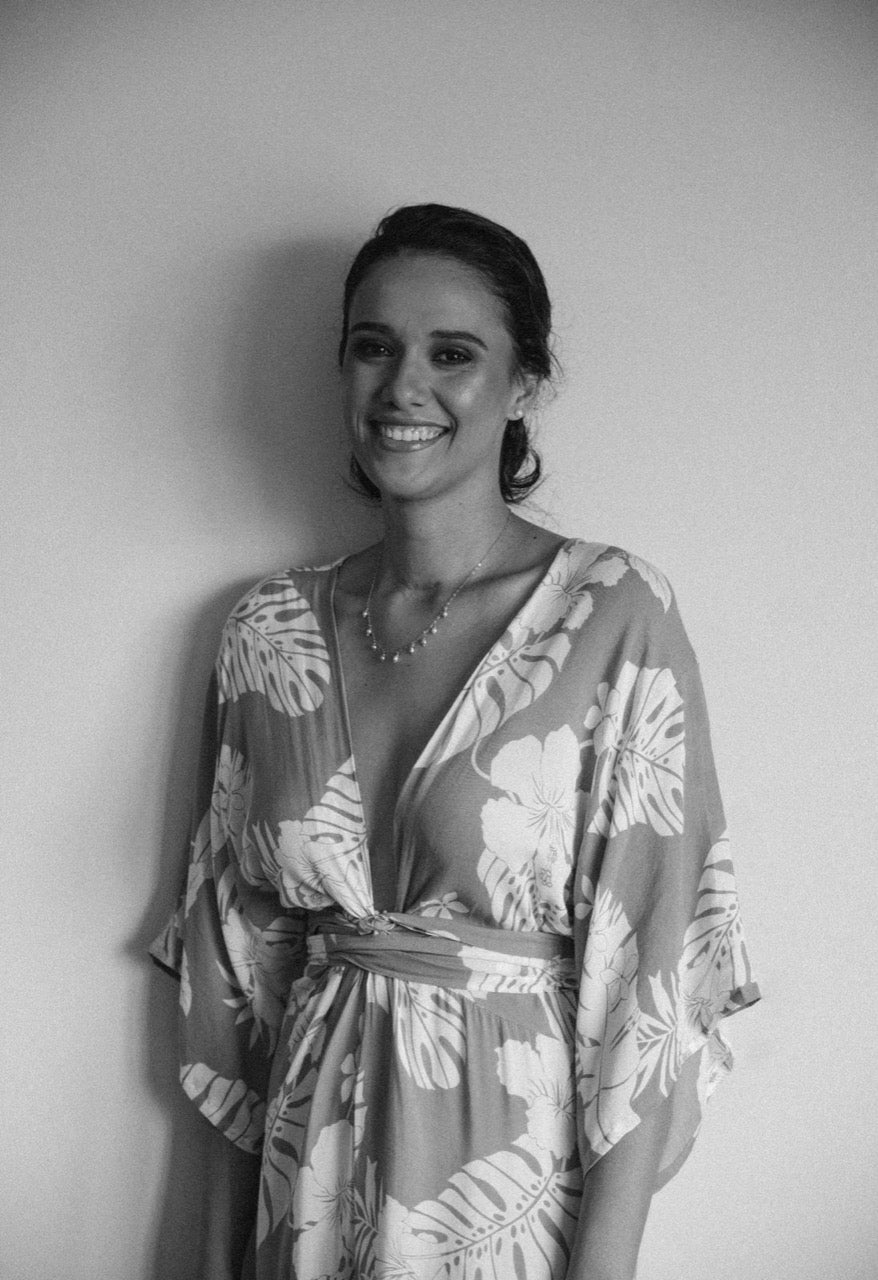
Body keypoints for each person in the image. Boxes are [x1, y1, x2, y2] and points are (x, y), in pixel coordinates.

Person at [151, 203, 760, 1280]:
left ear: (523, 383)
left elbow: (653, 987)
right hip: (302, 1193)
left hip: (503, 1198)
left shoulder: (612, 612)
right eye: (373, 347)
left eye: (453, 353)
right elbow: (227, 994)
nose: (403, 387)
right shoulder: (266, 631)